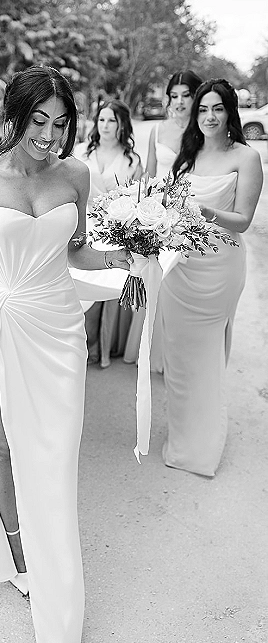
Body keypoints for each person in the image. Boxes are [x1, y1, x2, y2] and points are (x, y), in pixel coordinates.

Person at [0, 66, 129, 643]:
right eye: (38, 122)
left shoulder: (75, 175)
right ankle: (18, 551)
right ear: (14, 117)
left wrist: (128, 255)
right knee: (3, 443)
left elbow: (76, 250)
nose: (49, 136)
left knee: (54, 452)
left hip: (58, 326)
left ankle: (56, 559)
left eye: (59, 123)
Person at [160, 78, 263, 476]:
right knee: (178, 354)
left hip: (220, 268)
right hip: (181, 267)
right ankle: (181, 433)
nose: (209, 116)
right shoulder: (188, 154)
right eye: (203, 109)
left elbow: (243, 220)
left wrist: (207, 213)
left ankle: (200, 445)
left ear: (230, 111)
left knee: (206, 354)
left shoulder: (246, 157)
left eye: (217, 108)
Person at [75, 99, 142, 368]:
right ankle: (78, 344)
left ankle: (99, 347)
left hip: (113, 229)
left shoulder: (131, 160)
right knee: (81, 286)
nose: (105, 125)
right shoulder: (81, 151)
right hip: (82, 224)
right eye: (101, 119)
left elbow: (135, 198)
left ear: (122, 124)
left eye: (111, 120)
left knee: (104, 287)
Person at [146, 70, 203, 179]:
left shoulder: (204, 130)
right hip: (161, 190)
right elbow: (149, 175)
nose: (179, 101)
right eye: (174, 96)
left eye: (186, 95)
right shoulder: (158, 130)